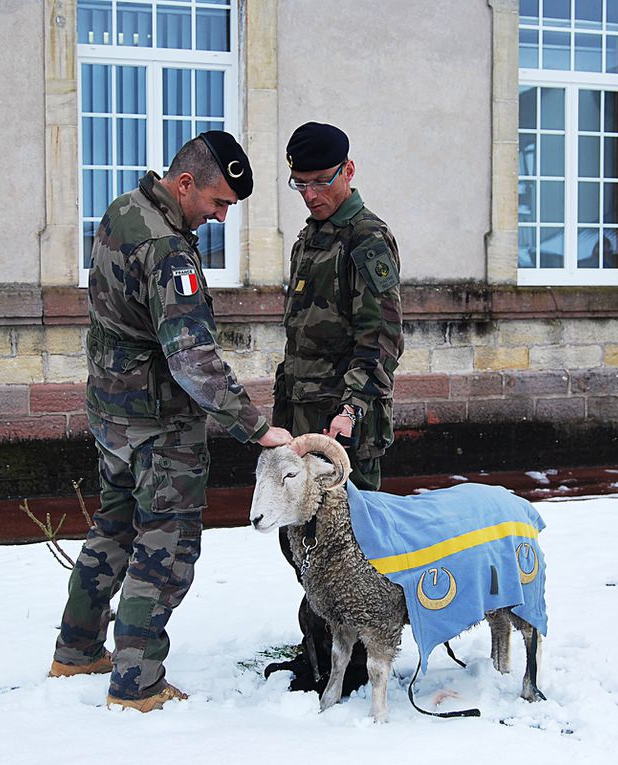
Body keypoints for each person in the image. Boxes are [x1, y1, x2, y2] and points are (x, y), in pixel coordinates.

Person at [48, 131, 293, 712]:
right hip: (159, 428)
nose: (220, 215)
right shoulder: (170, 251)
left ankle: (76, 650)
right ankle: (137, 684)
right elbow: (193, 359)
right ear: (185, 184)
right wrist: (255, 427)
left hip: (111, 413)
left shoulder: (122, 211)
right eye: (218, 202)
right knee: (166, 550)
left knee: (112, 528)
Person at [266, 121, 404, 696]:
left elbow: (381, 341)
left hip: (344, 430)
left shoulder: (367, 240)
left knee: (345, 548)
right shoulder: (310, 237)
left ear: (349, 171)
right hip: (302, 421)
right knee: (300, 542)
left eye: (321, 181)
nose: (312, 194)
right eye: (300, 184)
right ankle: (319, 650)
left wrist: (349, 409)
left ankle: (348, 664)